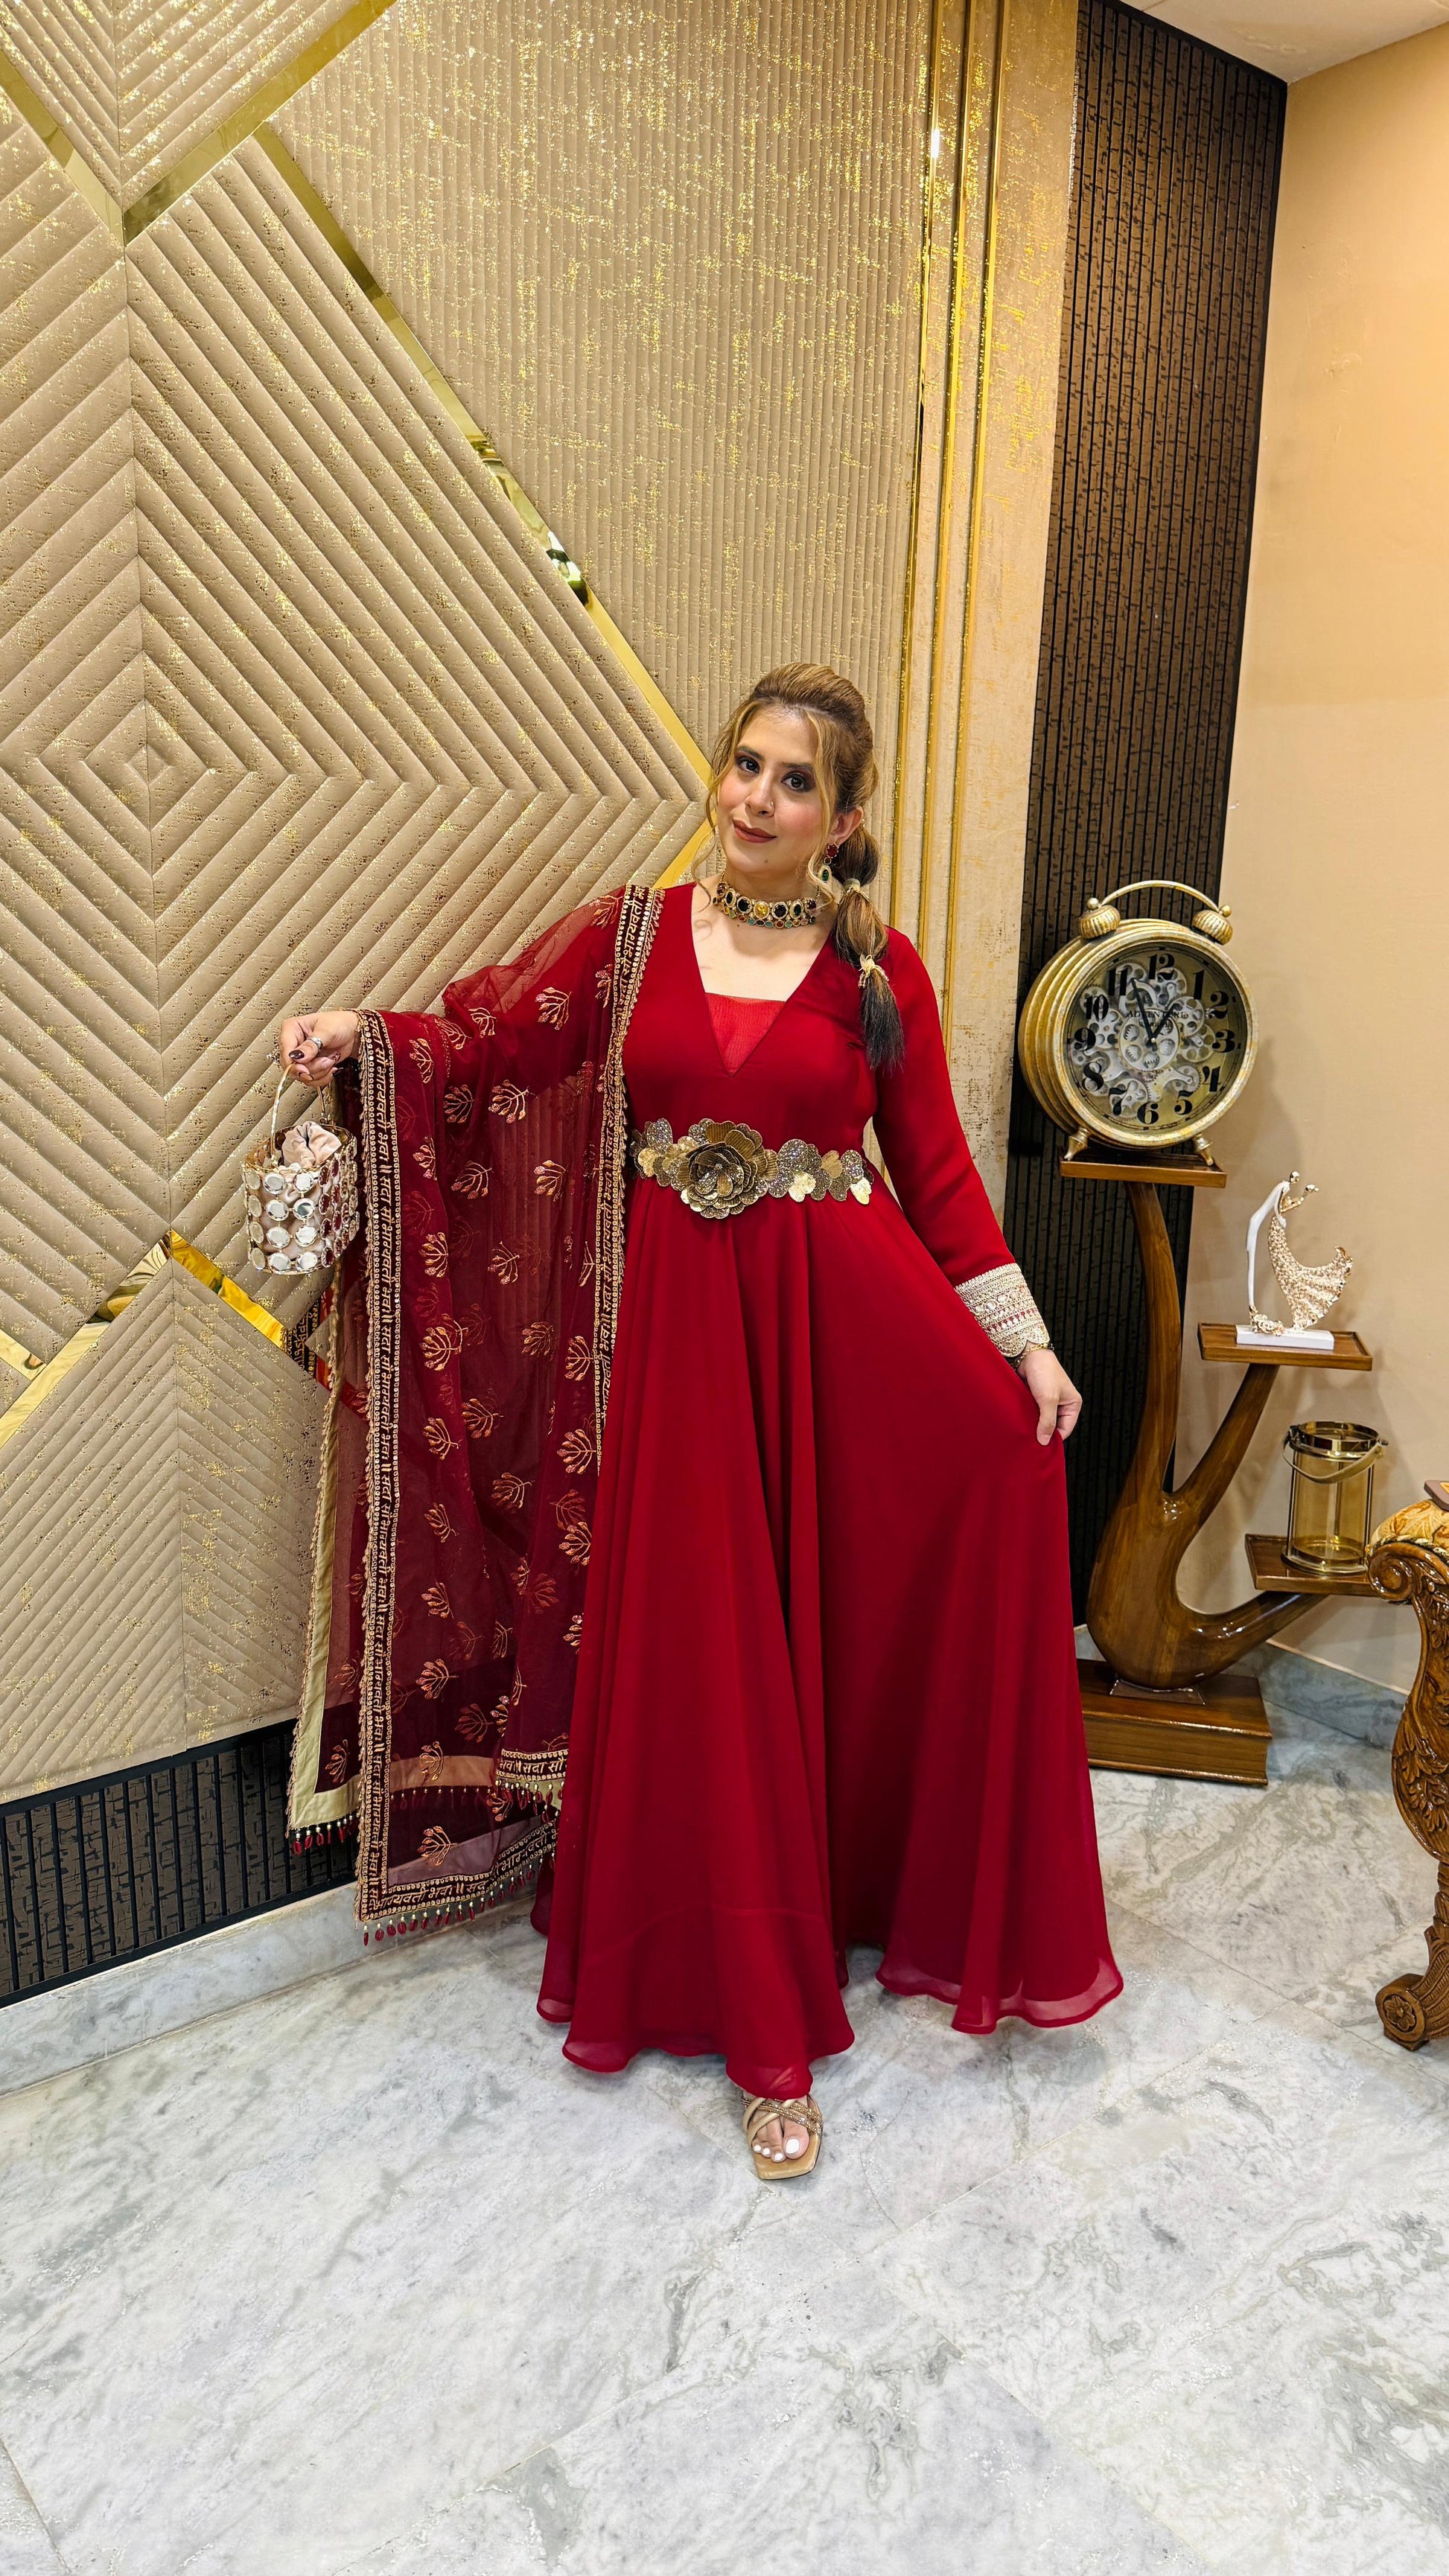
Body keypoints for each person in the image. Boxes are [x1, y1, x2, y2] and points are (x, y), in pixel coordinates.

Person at [280, 664, 1120, 2180]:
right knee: (706, 1648)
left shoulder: (879, 973)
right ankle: (736, 1980)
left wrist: (1027, 1346)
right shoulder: (631, 937)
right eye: (746, 764)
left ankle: (817, 1947)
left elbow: (934, 1177)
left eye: (795, 782)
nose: (756, 798)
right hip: (675, 1345)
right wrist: (366, 1036)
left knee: (985, 1475)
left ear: (841, 819)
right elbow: (494, 1042)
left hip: (836, 1327)